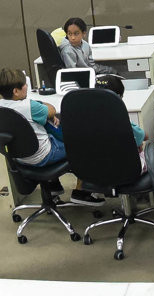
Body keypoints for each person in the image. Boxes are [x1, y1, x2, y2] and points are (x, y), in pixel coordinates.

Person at [0, 68, 105, 205]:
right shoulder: (30, 107)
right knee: (84, 143)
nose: (27, 86)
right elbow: (52, 110)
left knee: (46, 132)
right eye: (24, 85)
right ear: (16, 91)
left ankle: (53, 186)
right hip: (43, 155)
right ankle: (81, 192)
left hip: (19, 158)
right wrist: (43, 107)